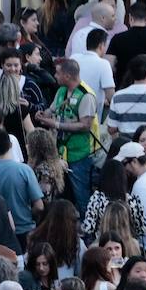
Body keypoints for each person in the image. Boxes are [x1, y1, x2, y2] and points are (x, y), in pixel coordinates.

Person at [36, 58, 98, 216]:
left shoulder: (86, 95)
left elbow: (85, 125)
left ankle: (87, 228)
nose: (54, 76)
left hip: (80, 154)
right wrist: (43, 115)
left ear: (68, 76)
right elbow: (52, 109)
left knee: (82, 195)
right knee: (61, 194)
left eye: (57, 73)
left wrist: (55, 124)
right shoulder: (62, 91)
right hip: (60, 153)